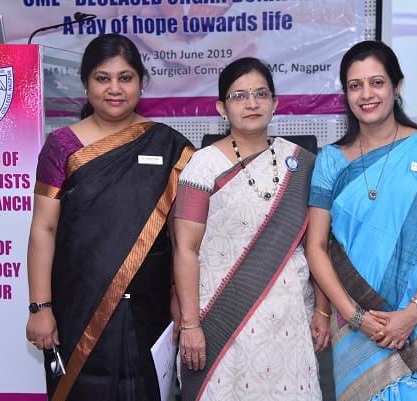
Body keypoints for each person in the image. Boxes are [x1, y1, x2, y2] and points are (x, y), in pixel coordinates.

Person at [24, 33, 194, 401]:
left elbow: (184, 240)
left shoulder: (171, 147)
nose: (114, 89)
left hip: (149, 311)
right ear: (85, 85)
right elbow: (43, 229)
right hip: (77, 308)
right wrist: (40, 307)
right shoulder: (62, 147)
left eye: (125, 78)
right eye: (102, 78)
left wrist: (182, 299)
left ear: (141, 84)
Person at [305, 40, 417, 401]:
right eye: (355, 85)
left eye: (377, 82)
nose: (366, 94)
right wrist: (356, 317)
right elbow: (316, 246)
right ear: (346, 94)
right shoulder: (330, 161)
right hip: (354, 316)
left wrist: (414, 312)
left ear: (397, 86)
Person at [172, 57, 330, 401]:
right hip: (222, 315)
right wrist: (190, 323)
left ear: (275, 103)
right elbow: (185, 249)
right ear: (222, 108)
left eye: (261, 94)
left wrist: (322, 309)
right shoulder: (202, 166)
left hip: (289, 318)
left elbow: (316, 244)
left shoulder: (302, 164)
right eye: (239, 96)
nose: (252, 103)